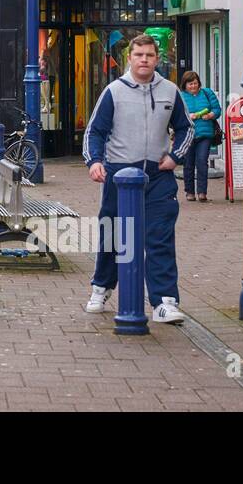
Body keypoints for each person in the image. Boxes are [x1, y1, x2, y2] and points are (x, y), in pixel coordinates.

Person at [82, 34, 194, 325]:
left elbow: (186, 129)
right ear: (129, 59)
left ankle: (164, 302)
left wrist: (175, 157)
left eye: (149, 55)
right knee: (114, 235)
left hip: (158, 176)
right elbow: (94, 131)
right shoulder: (113, 92)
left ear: (157, 59)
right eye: (139, 55)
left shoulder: (170, 91)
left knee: (159, 238)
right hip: (119, 175)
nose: (144, 60)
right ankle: (101, 288)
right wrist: (94, 161)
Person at [179, 70, 222, 203]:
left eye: (195, 83)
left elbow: (217, 109)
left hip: (205, 133)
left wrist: (210, 115)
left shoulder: (207, 93)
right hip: (187, 135)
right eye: (190, 84)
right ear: (185, 85)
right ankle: (189, 192)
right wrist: (188, 116)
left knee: (202, 162)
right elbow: (176, 114)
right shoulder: (180, 96)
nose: (193, 86)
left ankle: (202, 192)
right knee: (188, 164)